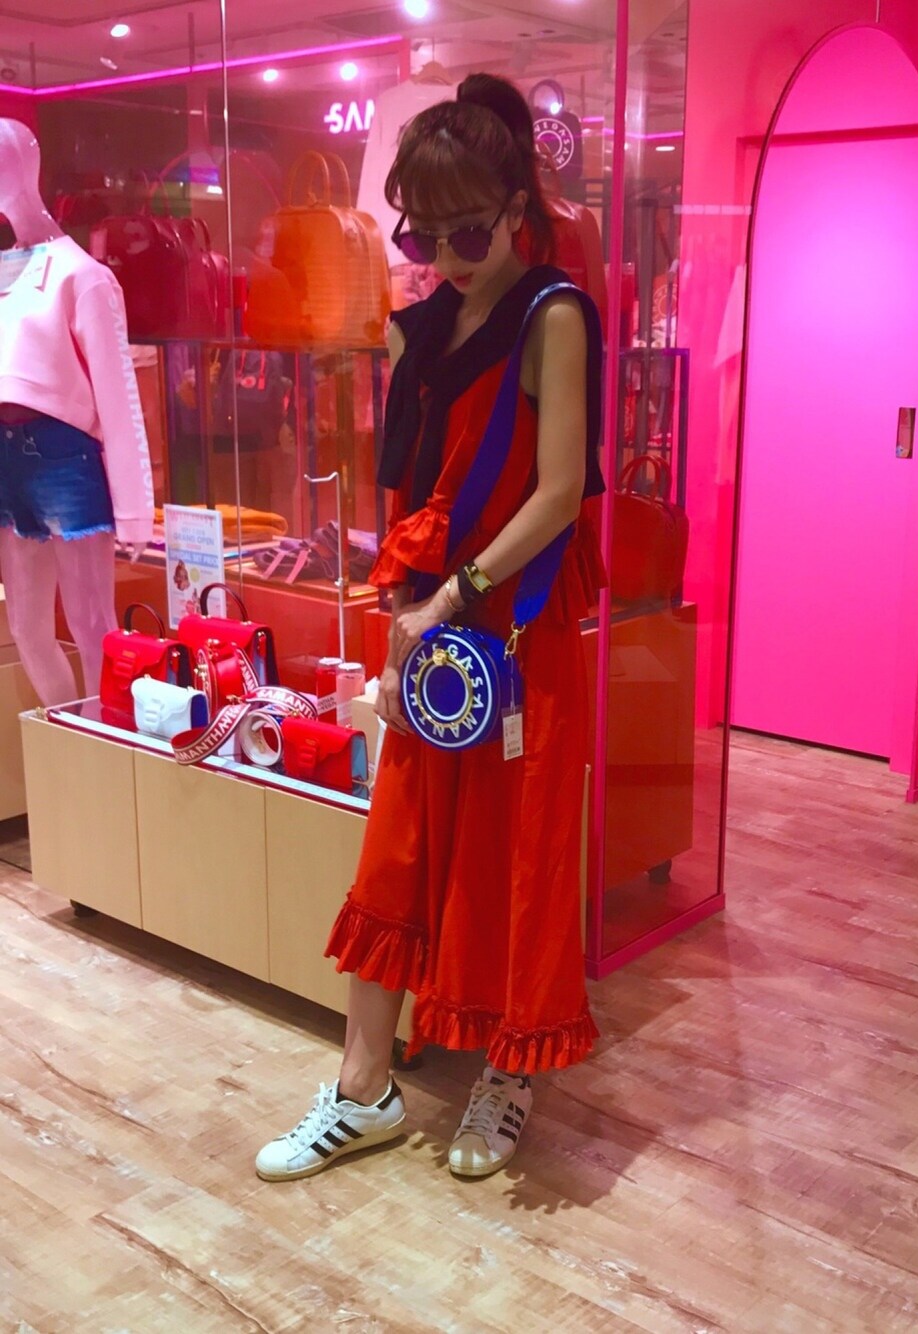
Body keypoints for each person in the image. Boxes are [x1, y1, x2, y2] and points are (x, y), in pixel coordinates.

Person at [256, 72, 605, 1183]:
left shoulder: (553, 315)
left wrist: (453, 594)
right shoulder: (415, 335)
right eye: (423, 234)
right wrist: (401, 609)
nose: (445, 257)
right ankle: (363, 1088)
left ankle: (509, 1070)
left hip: (518, 625)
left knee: (519, 850)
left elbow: (560, 492)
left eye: (468, 231)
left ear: (515, 209)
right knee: (399, 838)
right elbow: (409, 495)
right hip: (430, 628)